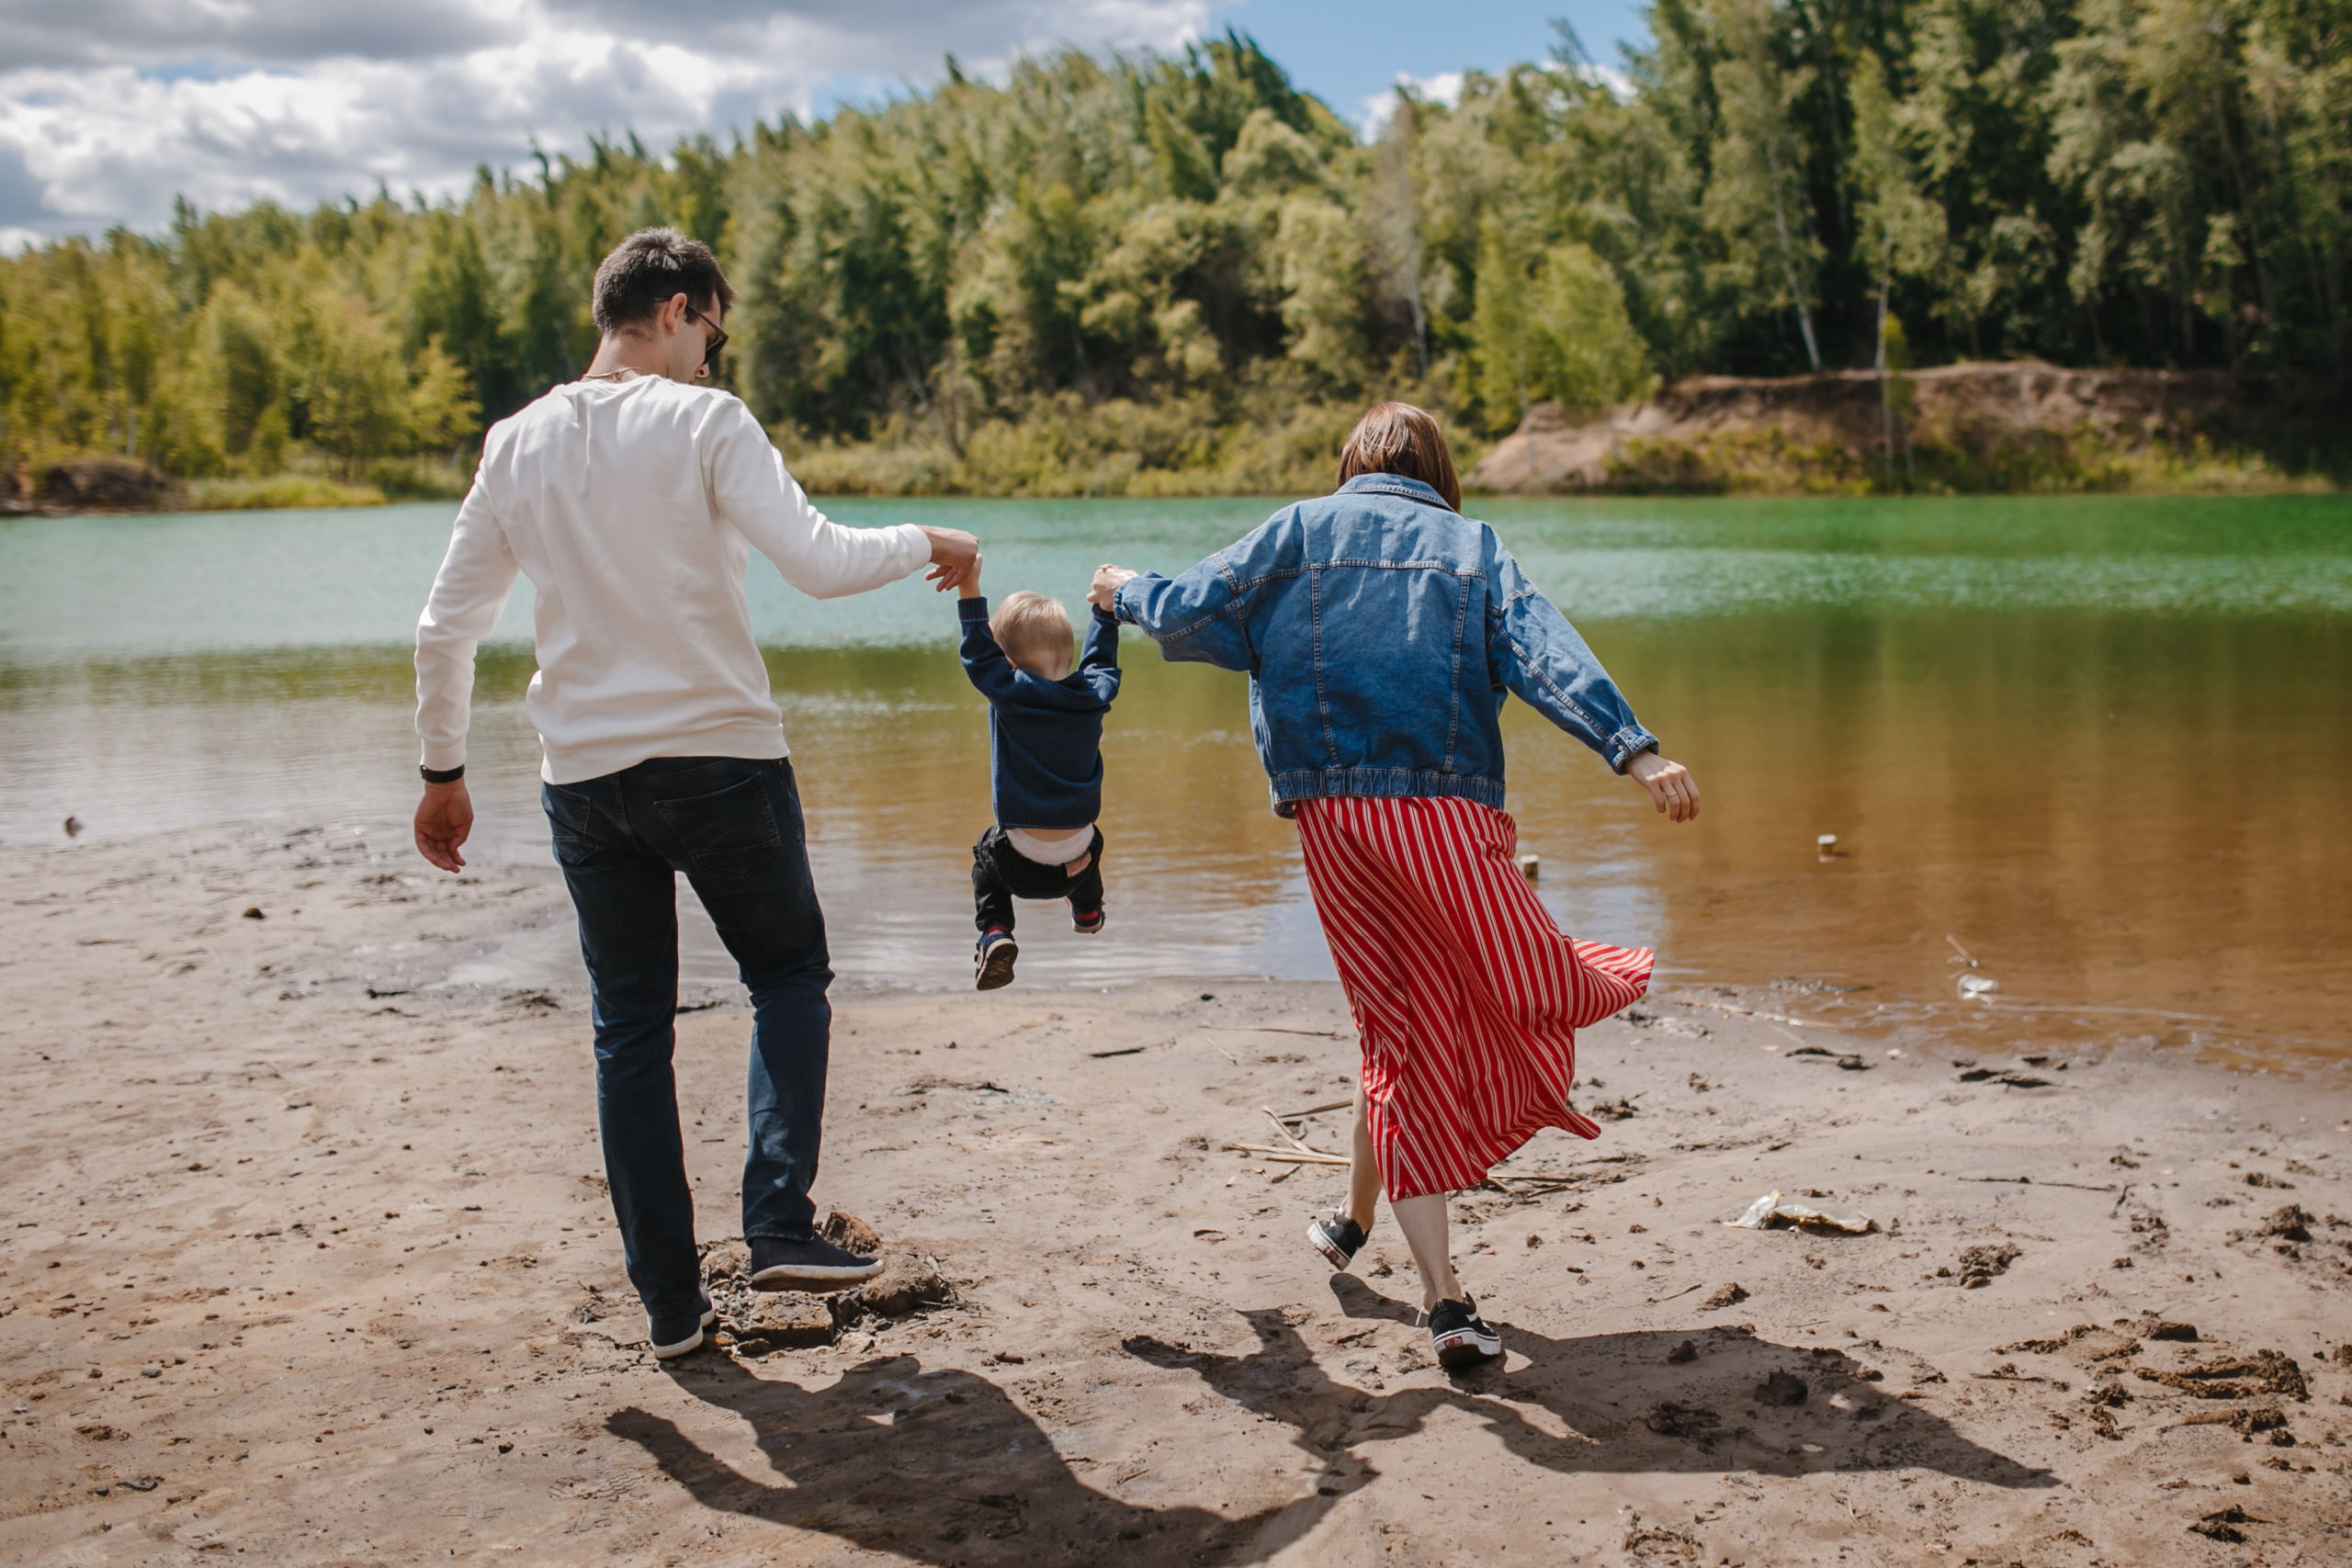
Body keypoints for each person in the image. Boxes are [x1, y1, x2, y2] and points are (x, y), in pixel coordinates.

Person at [410, 227, 979, 1359]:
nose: (713, 361)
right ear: (673, 308)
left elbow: (445, 627)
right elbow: (817, 564)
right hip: (720, 760)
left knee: (629, 1033)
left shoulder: (515, 443)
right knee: (788, 975)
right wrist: (933, 536)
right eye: (711, 332)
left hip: (585, 780)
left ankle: (671, 1308)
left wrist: (442, 774)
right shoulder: (706, 423)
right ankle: (774, 1218)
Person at [1090, 401, 1698, 1371]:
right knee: (1491, 994)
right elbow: (1542, 650)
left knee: (1393, 1021)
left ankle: (1350, 1221)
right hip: (1443, 812)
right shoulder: (1470, 545)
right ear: (1438, 469)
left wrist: (1123, 591)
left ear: (1351, 464)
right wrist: (1632, 749)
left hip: (1330, 818)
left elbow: (1192, 609)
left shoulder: (1296, 530)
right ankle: (1445, 1300)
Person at [955, 561, 1122, 988]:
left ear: (1007, 662)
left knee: (982, 858)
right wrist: (1104, 612)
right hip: (1080, 860)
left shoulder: (1010, 693)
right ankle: (1087, 910)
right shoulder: (1093, 693)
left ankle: (994, 932)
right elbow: (1101, 660)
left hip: (1018, 864)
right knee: (1093, 835)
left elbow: (977, 651)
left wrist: (969, 585)